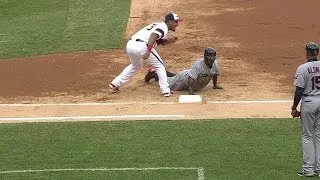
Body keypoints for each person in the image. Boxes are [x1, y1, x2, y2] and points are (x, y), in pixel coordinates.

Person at [108, 12, 182, 97]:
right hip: (142, 46)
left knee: (135, 65)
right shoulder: (163, 27)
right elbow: (153, 36)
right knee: (159, 66)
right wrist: (148, 51)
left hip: (131, 45)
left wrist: (168, 41)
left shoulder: (158, 25)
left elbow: (156, 40)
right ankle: (166, 90)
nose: (177, 24)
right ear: (170, 21)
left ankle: (115, 84)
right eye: (176, 22)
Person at [291, 42, 320, 177]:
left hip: (309, 102)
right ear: (317, 52)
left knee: (307, 136)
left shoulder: (302, 68)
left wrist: (294, 108)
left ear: (307, 52)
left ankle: (308, 169)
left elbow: (299, 90)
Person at [145, 47, 223, 94]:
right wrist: (190, 92)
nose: (211, 61)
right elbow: (190, 79)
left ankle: (164, 73)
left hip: (187, 75)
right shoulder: (198, 65)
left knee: (175, 77)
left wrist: (215, 85)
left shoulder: (215, 64)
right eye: (209, 59)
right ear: (205, 58)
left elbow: (215, 74)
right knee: (167, 84)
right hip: (184, 81)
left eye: (212, 59)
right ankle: (153, 73)